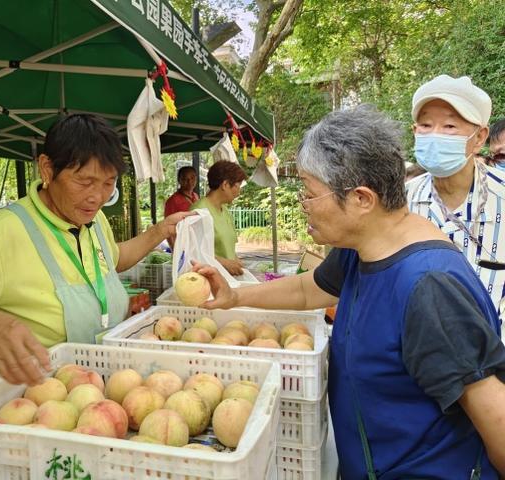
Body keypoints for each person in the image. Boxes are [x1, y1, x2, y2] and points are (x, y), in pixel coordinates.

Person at [194, 106, 505, 477]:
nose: (304, 206)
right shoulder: (362, 248)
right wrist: (235, 296)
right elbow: (308, 291)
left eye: (309, 194)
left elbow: (496, 418)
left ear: (361, 199)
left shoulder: (428, 287)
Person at [0, 113, 192, 386]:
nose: (97, 197)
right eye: (84, 181)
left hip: (107, 393)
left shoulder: (94, 220)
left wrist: (159, 231)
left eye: (107, 183)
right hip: (40, 409)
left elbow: (113, 260)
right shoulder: (0, 236)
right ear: (47, 169)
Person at [405, 75, 505, 332]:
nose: (435, 135)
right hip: (418, 360)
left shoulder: (501, 196)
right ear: (414, 132)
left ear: (479, 137)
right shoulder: (400, 202)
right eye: (425, 125)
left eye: (450, 126)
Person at [190, 161, 246, 276]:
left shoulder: (224, 210)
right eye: (237, 186)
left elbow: (228, 248)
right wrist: (224, 263)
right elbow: (192, 253)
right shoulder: (199, 211)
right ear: (225, 185)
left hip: (229, 280)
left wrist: (236, 261)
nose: (239, 192)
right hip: (208, 282)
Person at [164, 165, 199, 249]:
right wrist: (173, 248)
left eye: (192, 178)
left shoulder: (196, 196)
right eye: (185, 179)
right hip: (181, 244)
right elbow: (167, 226)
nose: (189, 181)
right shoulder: (173, 200)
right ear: (179, 180)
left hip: (196, 242)